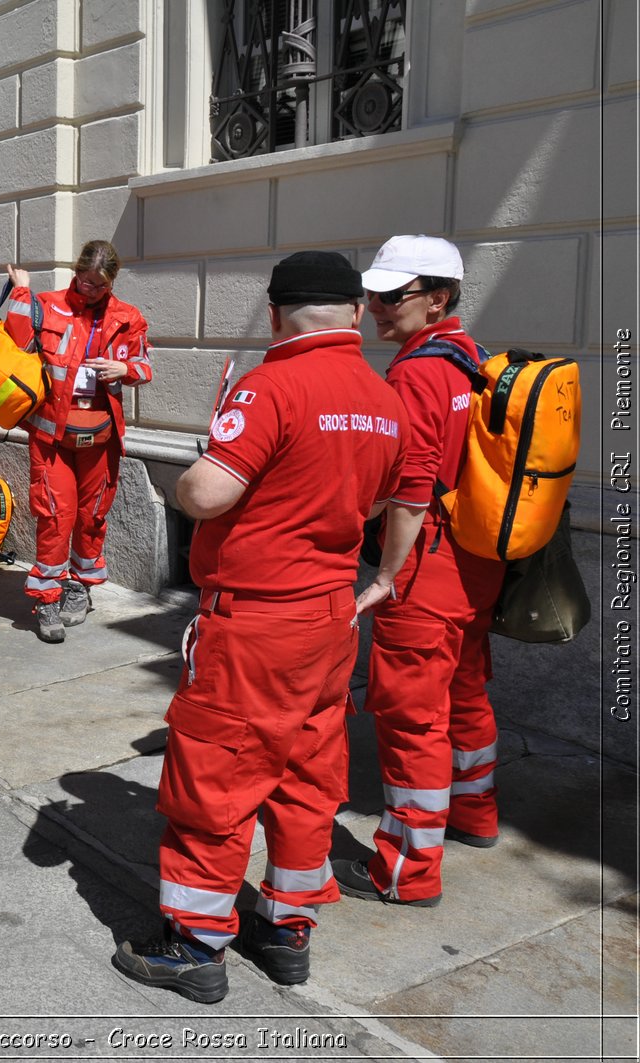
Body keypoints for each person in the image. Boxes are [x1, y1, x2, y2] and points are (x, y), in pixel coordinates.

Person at [112, 252, 407, 1004]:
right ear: (352, 312)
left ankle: (194, 943)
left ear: (277, 314)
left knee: (218, 770)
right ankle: (286, 930)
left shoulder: (271, 384)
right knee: (307, 771)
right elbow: (386, 504)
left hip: (255, 622)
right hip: (330, 617)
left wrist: (189, 475)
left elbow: (210, 493)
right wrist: (372, 570)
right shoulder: (382, 398)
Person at [332, 236, 507, 906]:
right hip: (475, 562)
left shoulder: (414, 373)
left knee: (411, 715)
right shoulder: (473, 358)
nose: (377, 307)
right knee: (465, 691)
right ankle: (476, 812)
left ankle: (406, 871)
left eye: (393, 295)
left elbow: (408, 488)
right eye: (372, 295)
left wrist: (384, 575)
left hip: (426, 563)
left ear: (438, 296)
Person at [0, 242, 153, 643]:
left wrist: (125, 368)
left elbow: (144, 366)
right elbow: (14, 346)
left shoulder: (127, 317)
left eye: (98, 285)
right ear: (75, 272)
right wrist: (20, 291)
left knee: (91, 516)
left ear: (111, 282)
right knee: (54, 515)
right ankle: (46, 597)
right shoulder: (47, 305)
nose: (88, 289)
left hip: (101, 437)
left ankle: (79, 587)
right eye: (83, 280)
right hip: (52, 435)